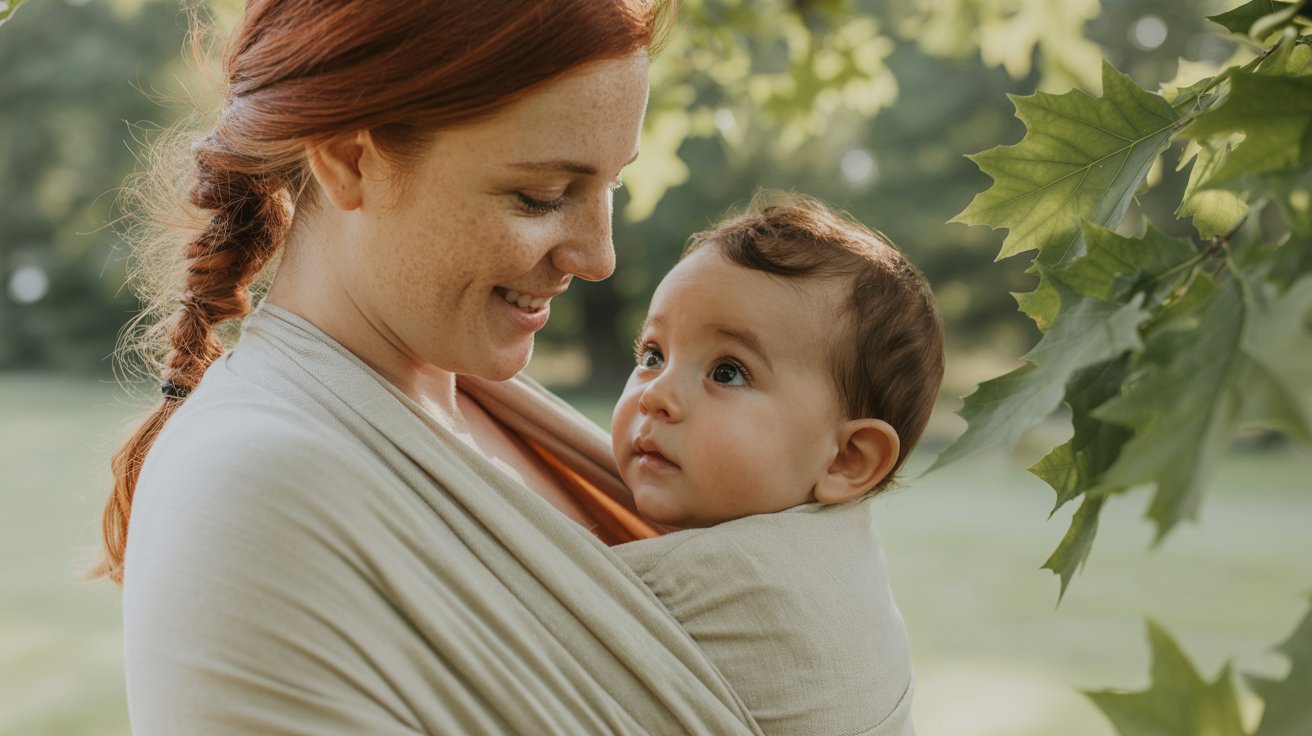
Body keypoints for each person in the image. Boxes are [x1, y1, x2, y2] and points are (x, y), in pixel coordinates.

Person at [95, 1, 775, 733]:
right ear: (350, 158)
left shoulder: (484, 396)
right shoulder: (249, 485)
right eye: (542, 195)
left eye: (611, 185)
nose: (597, 256)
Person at [610, 193, 944, 735]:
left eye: (727, 372)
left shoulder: (732, 584)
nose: (656, 395)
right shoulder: (843, 545)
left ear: (847, 460)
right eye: (653, 355)